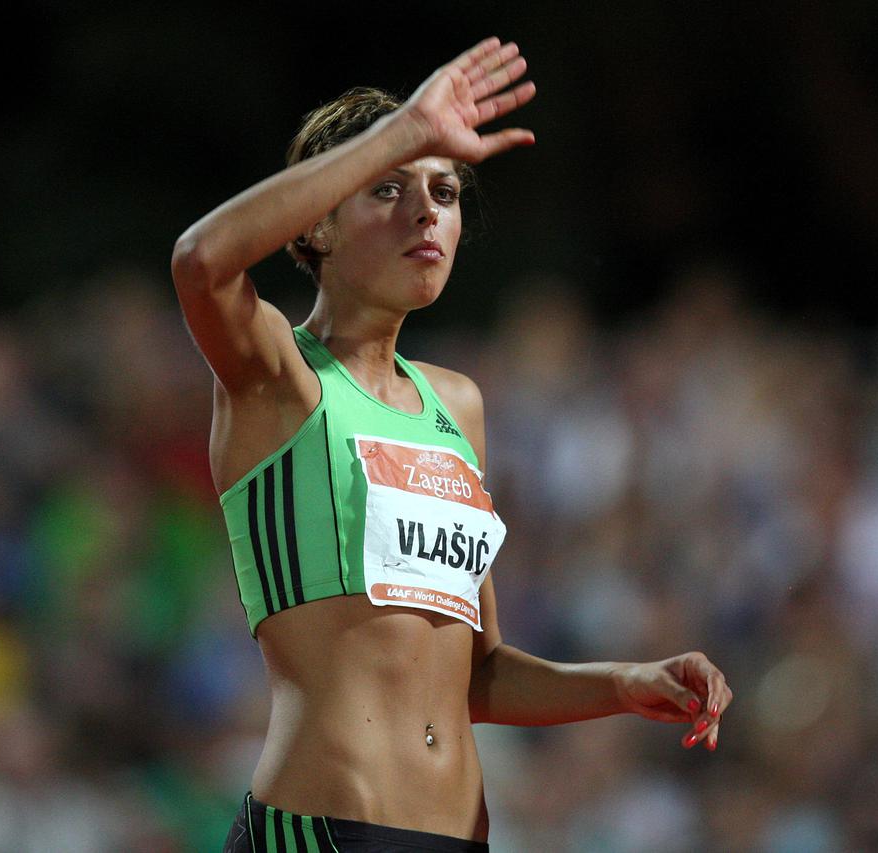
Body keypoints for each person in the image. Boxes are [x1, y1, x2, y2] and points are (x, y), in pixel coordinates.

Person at [171, 37, 733, 852]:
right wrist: (402, 130)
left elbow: (478, 674)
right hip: (323, 829)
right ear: (317, 225)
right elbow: (201, 261)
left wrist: (625, 680)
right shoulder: (280, 377)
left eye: (444, 191)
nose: (425, 211)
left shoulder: (456, 404)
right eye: (388, 189)